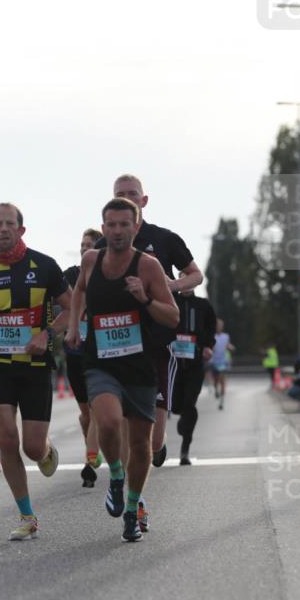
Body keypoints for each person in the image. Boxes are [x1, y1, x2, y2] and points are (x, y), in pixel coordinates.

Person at [67, 197, 179, 542]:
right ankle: (116, 476)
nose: (117, 231)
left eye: (124, 225)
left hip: (138, 364)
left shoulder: (148, 267)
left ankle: (131, 511)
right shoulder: (91, 260)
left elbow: (172, 316)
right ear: (103, 229)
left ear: (135, 227)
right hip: (101, 361)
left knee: (142, 445)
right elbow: (79, 292)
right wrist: (73, 326)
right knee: (109, 421)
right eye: (111, 225)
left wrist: (144, 298)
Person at [0, 203, 71, 541]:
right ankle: (27, 515)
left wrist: (47, 333)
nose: (5, 228)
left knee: (32, 447)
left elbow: (73, 308)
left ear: (22, 230)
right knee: (6, 437)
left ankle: (46, 449)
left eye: (11, 223)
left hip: (35, 366)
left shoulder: (44, 266)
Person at [99, 175, 202, 469]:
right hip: (116, 343)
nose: (128, 198)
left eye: (133, 194)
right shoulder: (102, 242)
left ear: (144, 201)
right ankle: (127, 489)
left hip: (156, 342)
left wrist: (169, 286)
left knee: (152, 443)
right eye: (121, 194)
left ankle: (156, 447)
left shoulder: (164, 239)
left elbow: (196, 275)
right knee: (121, 425)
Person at [63, 228, 104, 488]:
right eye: (81, 244)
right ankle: (92, 449)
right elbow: (69, 302)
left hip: (100, 350)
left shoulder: (108, 273)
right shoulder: (69, 275)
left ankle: (90, 460)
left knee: (97, 407)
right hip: (75, 350)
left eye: (90, 244)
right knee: (86, 413)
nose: (84, 248)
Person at [170, 275, 216, 464]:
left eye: (190, 279)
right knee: (176, 405)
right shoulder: (171, 300)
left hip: (195, 362)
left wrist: (208, 346)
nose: (186, 283)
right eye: (182, 278)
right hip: (174, 362)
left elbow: (211, 327)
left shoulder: (203, 305)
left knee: (190, 403)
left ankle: (185, 448)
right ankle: (182, 419)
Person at [209, 318, 235, 411]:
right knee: (216, 381)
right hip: (214, 361)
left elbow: (228, 345)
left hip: (223, 361)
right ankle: (216, 389)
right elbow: (209, 347)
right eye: (217, 326)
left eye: (220, 326)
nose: (218, 327)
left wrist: (231, 348)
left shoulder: (226, 336)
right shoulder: (212, 335)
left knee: (222, 380)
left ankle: (221, 402)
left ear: (222, 327)